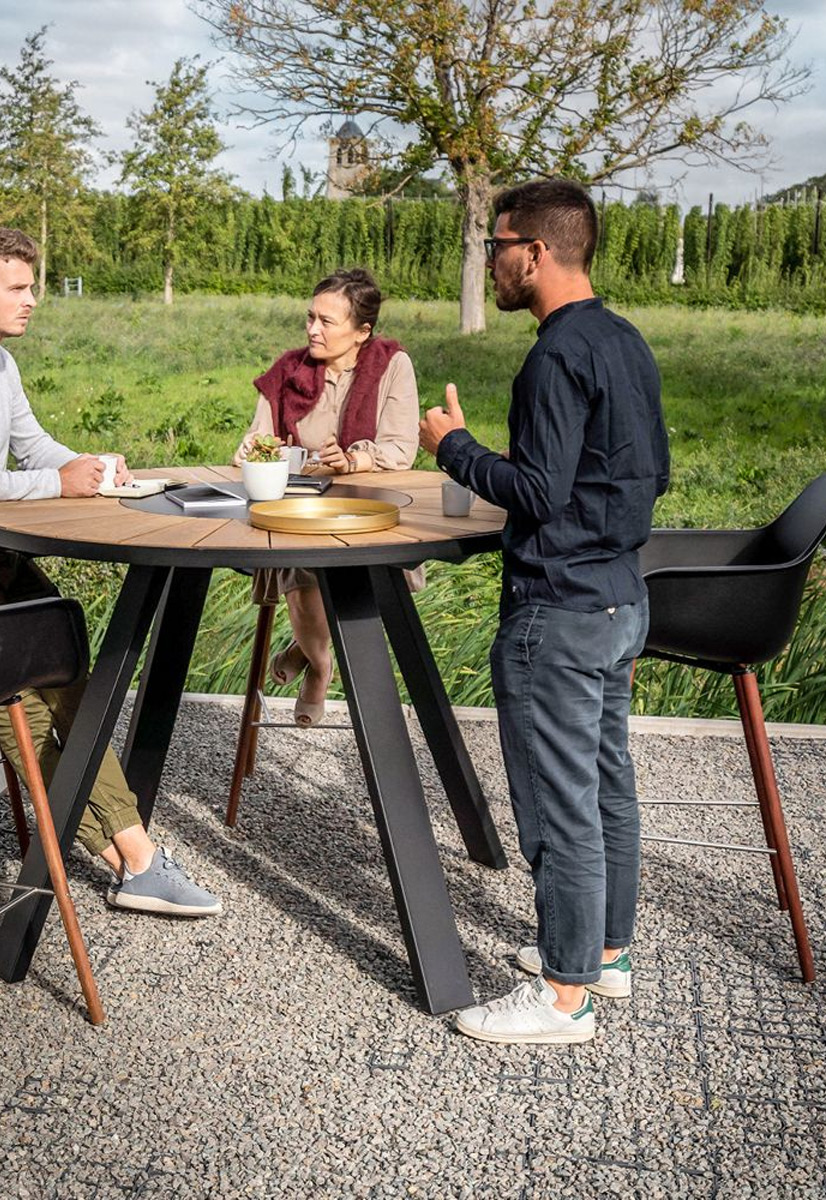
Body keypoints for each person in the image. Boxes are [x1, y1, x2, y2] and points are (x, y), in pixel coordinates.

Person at [0, 225, 221, 917]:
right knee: (21, 699)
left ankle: (130, 854)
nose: (32, 299)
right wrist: (56, 485)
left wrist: (87, 466)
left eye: (31, 286)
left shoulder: (0, 364)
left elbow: (33, 445)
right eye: (18, 287)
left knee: (70, 672)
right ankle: (133, 854)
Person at [419, 181, 669, 1044]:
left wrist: (453, 447)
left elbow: (535, 491)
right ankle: (605, 954)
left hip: (557, 613)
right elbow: (646, 475)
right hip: (620, 600)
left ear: (535, 252)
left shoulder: (555, 356)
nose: (489, 260)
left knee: (561, 806)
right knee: (607, 786)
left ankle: (564, 997)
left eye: (496, 246)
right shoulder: (625, 341)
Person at [233, 267, 419, 725]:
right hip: (300, 508)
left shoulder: (393, 366)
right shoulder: (288, 370)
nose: (313, 329)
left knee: (341, 562)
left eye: (326, 321)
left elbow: (401, 450)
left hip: (369, 510)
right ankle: (321, 664)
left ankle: (307, 650)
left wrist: (353, 460)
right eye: (310, 317)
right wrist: (253, 449)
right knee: (301, 555)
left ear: (362, 331)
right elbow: (256, 440)